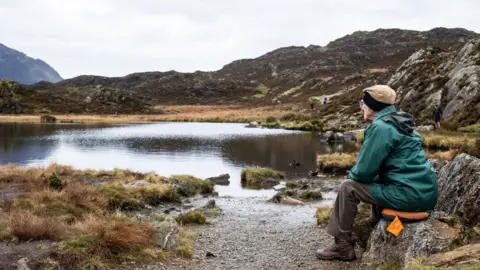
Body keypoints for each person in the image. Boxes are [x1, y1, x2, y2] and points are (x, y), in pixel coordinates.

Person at [316, 85, 438, 261]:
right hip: (424, 195)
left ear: (372, 106)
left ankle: (342, 247)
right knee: (376, 182)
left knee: (348, 188)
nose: (361, 107)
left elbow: (363, 172)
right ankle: (374, 226)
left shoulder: (381, 127)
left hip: (409, 195)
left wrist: (352, 176)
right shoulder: (400, 122)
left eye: (363, 103)